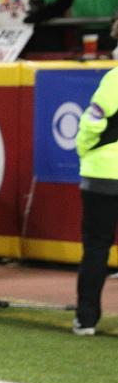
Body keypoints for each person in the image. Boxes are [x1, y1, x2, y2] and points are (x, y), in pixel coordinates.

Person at [72, 67, 118, 336]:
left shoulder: (115, 78)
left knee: (96, 247)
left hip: (103, 173)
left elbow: (93, 122)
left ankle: (86, 319)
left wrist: (85, 149)